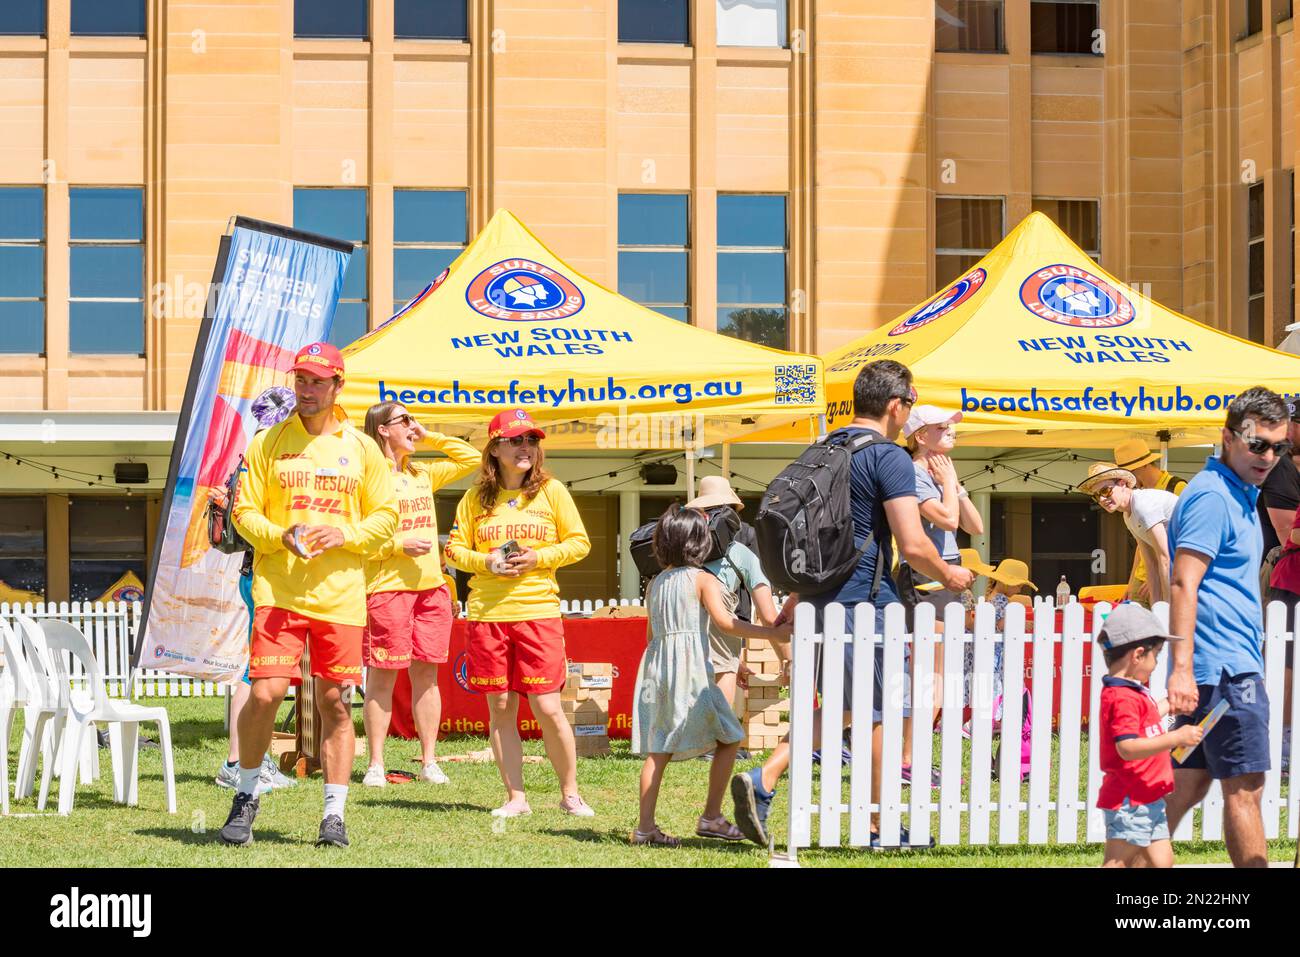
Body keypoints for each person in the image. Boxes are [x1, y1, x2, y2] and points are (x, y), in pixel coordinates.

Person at [730, 359, 974, 849]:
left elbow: (823, 532)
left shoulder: (826, 446)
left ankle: (766, 779)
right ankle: (879, 828)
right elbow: (914, 544)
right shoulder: (888, 456)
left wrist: (798, 594)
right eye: (909, 402)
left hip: (821, 598)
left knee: (844, 705)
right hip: (867, 601)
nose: (909, 412)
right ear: (895, 405)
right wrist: (953, 575)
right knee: (883, 708)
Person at [221, 342, 398, 848]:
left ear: (338, 386)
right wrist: (281, 535)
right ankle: (247, 793)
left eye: (318, 381)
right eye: (301, 380)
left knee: (334, 703)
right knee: (264, 693)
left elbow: (386, 518)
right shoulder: (268, 442)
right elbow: (244, 512)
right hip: (279, 591)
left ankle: (333, 816)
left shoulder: (362, 448)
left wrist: (346, 535)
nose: (307, 389)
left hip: (341, 597)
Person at [444, 409, 594, 818]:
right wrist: (486, 563)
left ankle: (570, 794)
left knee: (547, 707)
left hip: (537, 611)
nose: (525, 447)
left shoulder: (552, 491)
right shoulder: (475, 498)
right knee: (500, 708)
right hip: (488, 613)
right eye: (516, 440)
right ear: (495, 448)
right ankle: (516, 798)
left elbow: (579, 544)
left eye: (531, 440)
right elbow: (454, 550)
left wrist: (539, 557)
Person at [1164, 387, 1289, 868]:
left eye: (1279, 448)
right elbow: (1182, 583)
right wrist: (1180, 669)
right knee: (1247, 788)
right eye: (1258, 444)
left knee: (1187, 784)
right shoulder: (1213, 497)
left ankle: (1124, 866)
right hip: (1224, 673)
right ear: (1228, 437)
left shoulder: (1240, 494)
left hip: (1220, 669)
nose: (1268, 457)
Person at [630, 505, 793, 846]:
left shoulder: (655, 584)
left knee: (657, 751)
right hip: (694, 672)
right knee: (730, 737)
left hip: (657, 670)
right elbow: (725, 623)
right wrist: (772, 636)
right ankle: (712, 817)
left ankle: (644, 828)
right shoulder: (704, 579)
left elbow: (651, 637)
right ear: (700, 544)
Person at [359, 402, 479, 788]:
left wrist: (430, 436)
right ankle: (376, 763)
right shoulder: (366, 477)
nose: (413, 426)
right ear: (382, 430)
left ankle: (429, 760)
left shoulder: (423, 473)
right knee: (382, 677)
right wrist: (395, 545)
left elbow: (472, 457)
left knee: (427, 677)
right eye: (404, 421)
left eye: (413, 420)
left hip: (431, 588)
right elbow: (356, 539)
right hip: (387, 588)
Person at [211, 387, 299, 795]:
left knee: (260, 670)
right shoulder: (265, 457)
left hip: (263, 574)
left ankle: (247, 758)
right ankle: (237, 761)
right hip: (263, 575)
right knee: (257, 671)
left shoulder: (255, 457)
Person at [898, 404, 984, 787]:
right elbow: (948, 521)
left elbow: (975, 525)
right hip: (927, 577)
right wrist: (948, 484)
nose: (952, 431)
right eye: (942, 427)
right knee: (930, 677)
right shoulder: (914, 474)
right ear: (920, 436)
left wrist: (955, 483)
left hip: (943, 576)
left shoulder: (938, 474)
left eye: (951, 427)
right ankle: (907, 760)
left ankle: (911, 758)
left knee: (939, 676)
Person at [1095, 604, 1202, 868]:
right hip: (1130, 798)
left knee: (1162, 862)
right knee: (1117, 863)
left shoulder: (1130, 692)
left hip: (1147, 796)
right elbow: (1128, 747)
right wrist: (1176, 738)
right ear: (1138, 655)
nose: (1156, 664)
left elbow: (1145, 719)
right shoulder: (1122, 697)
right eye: (1156, 655)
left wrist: (1168, 704)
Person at [683, 475, 783, 709]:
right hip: (721, 658)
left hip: (680, 653)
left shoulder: (681, 556)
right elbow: (769, 617)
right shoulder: (741, 554)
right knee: (720, 726)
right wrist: (788, 658)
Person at [1079, 462, 1176, 606]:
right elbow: (1151, 563)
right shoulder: (1128, 515)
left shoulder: (1142, 505)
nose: (1101, 499)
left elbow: (1165, 558)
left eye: (1105, 491)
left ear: (1123, 483)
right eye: (1096, 495)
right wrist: (1157, 608)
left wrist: (1167, 609)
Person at [1112, 438, 1188, 606]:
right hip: (1145, 575)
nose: (1126, 481)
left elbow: (1186, 538)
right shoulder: (1137, 496)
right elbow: (1142, 544)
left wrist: (1162, 579)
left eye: (1129, 473)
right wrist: (1132, 581)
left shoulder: (1176, 488)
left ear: (1144, 465)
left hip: (1169, 574)